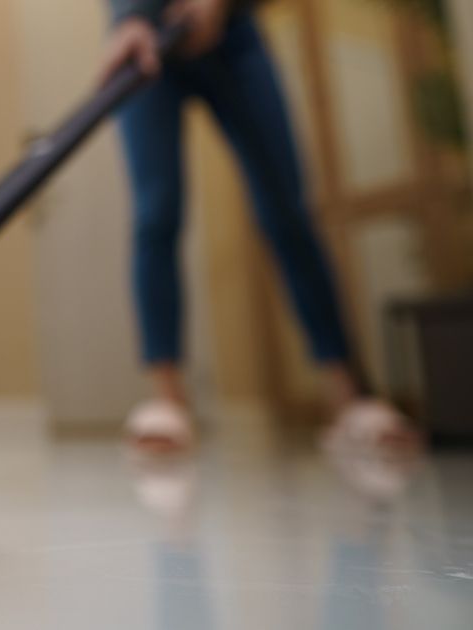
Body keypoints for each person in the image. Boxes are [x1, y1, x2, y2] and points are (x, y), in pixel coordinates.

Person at [98, 0, 416, 451]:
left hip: (233, 37)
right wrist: (128, 16)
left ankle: (349, 401)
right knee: (156, 213)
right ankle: (167, 401)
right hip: (147, 39)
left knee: (287, 210)